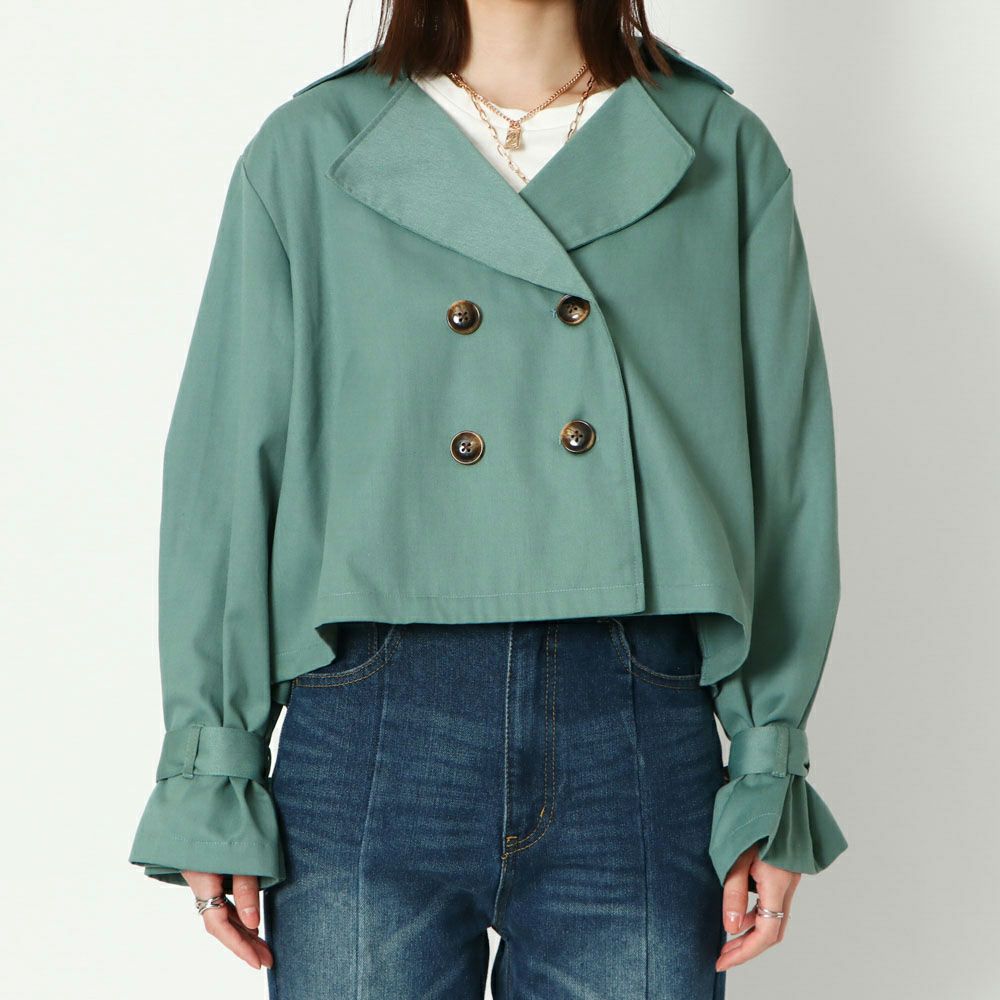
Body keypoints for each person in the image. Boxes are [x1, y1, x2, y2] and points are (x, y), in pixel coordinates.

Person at [128, 2, 849, 996]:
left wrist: (768, 764)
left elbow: (784, 476)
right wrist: (212, 764)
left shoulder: (714, 148)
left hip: (634, 727)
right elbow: (227, 469)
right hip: (373, 718)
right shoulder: (314, 150)